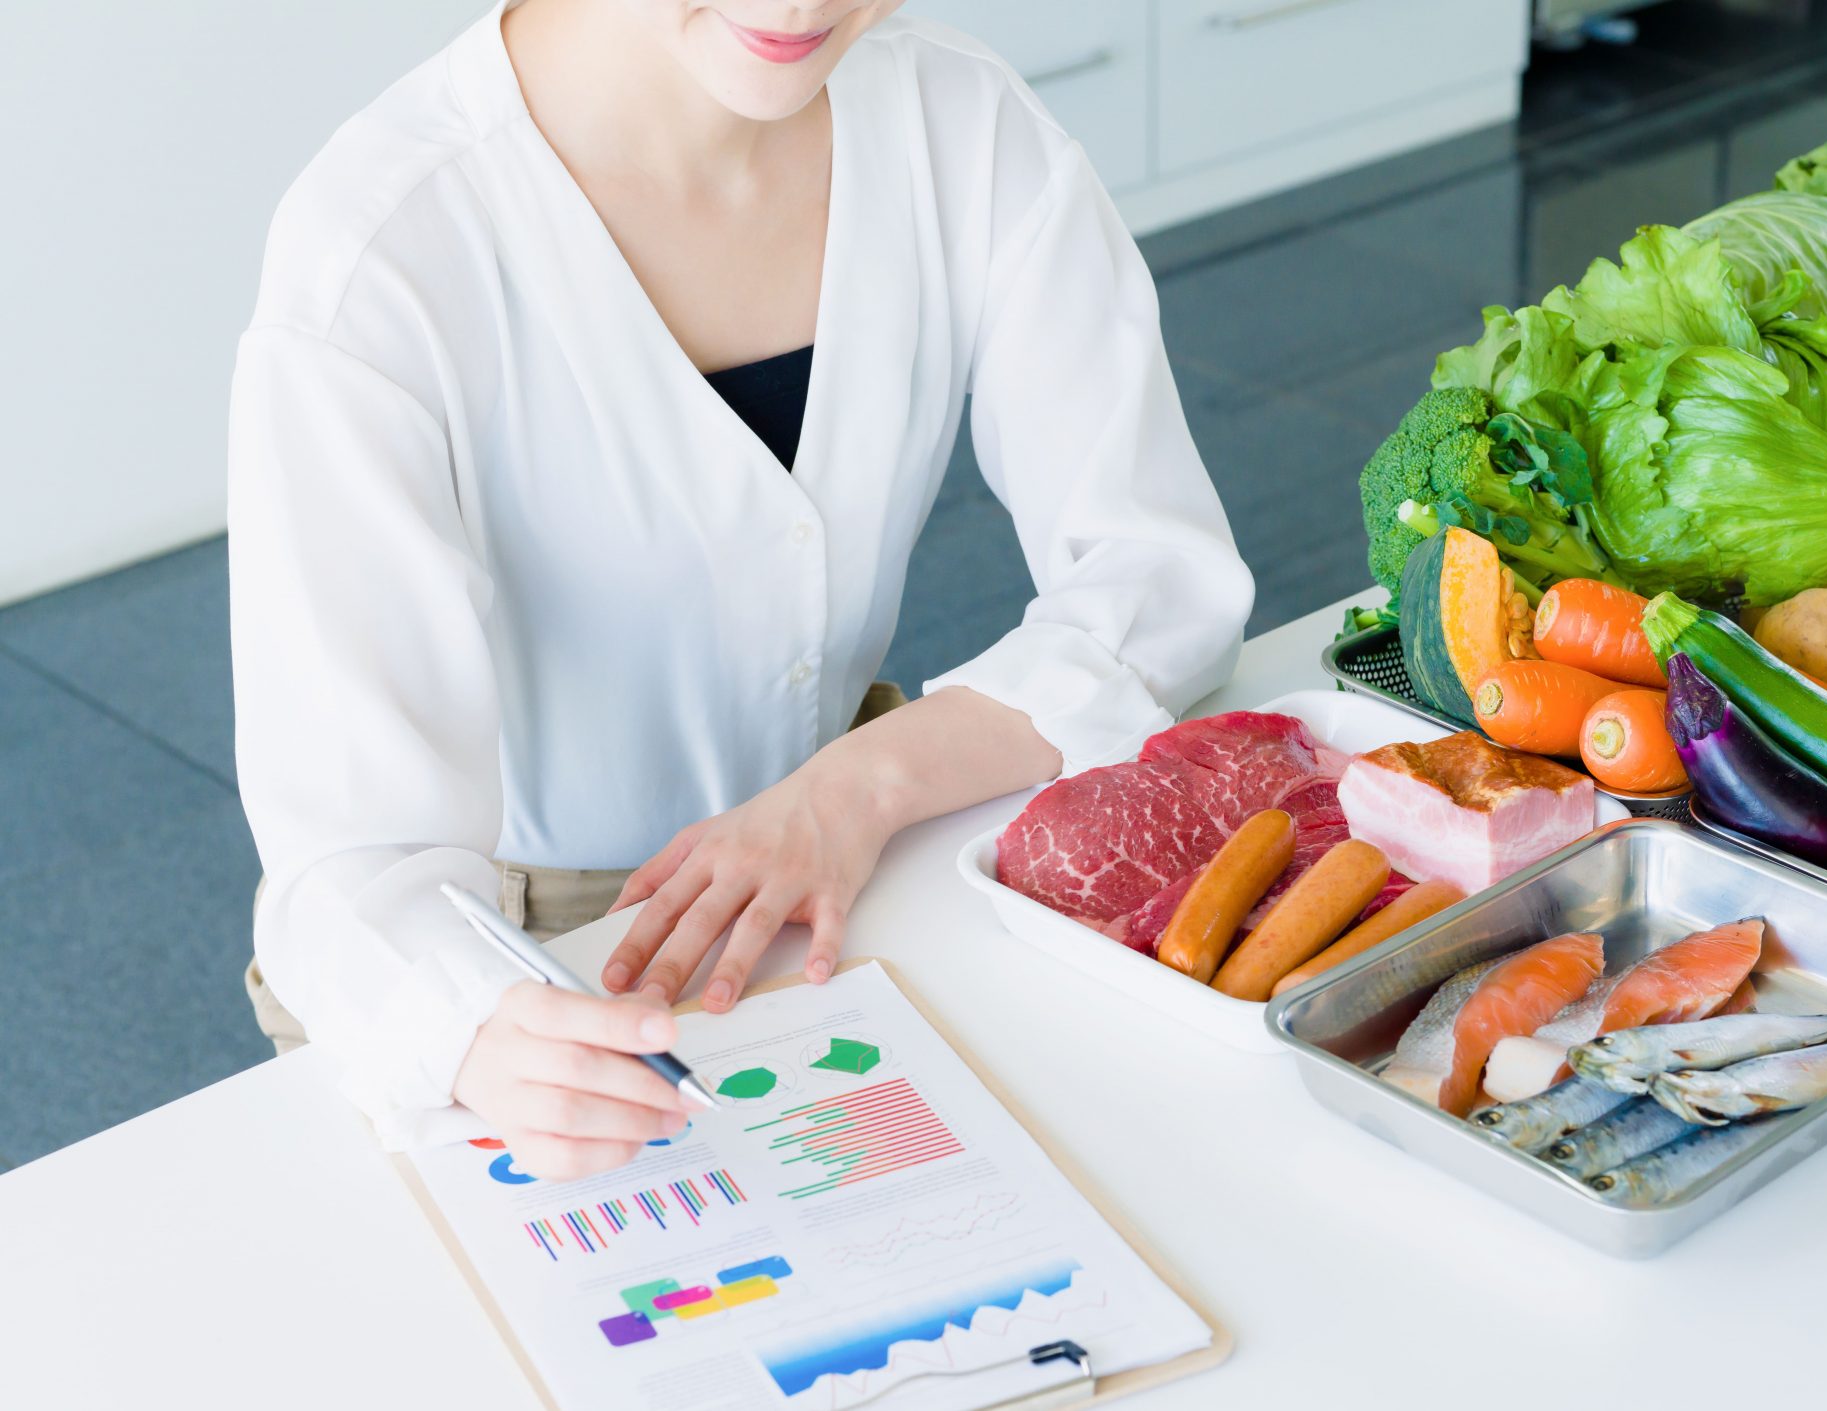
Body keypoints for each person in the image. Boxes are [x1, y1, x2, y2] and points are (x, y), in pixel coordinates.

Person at [229, 0, 1251, 1180]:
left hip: (851, 866)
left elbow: (1159, 578)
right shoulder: (379, 256)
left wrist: (855, 787)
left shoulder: (962, 124)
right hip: (514, 950)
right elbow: (350, 858)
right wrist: (469, 1020)